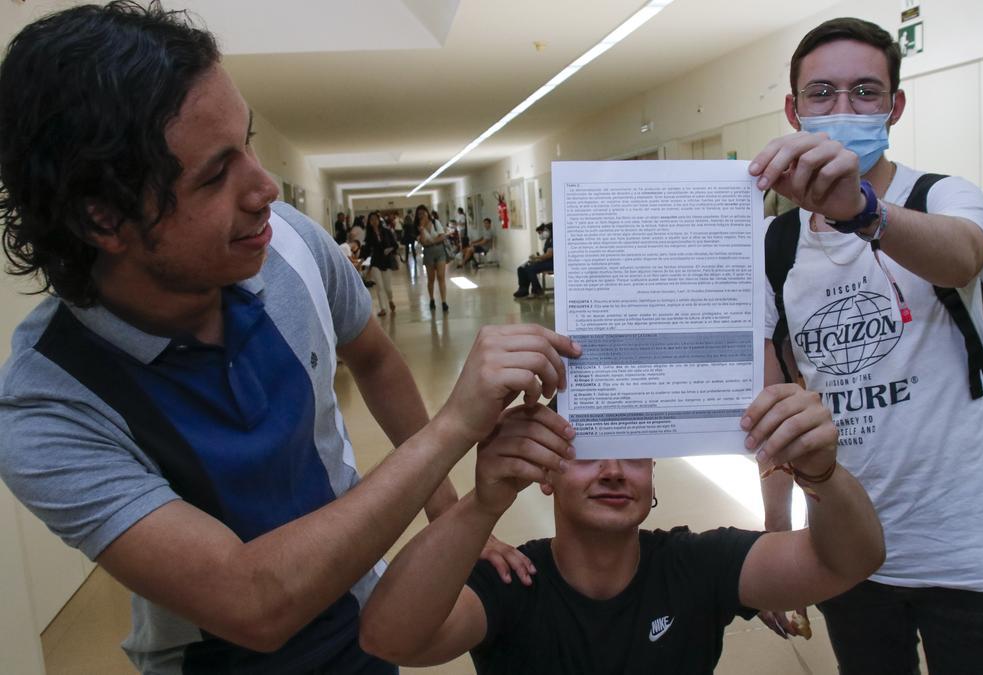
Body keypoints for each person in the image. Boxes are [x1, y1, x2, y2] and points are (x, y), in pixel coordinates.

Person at [0, 3, 570, 672]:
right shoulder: (49, 406)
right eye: (216, 174)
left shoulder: (290, 247)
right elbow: (254, 603)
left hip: (361, 607)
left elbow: (377, 360)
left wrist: (449, 519)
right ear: (104, 218)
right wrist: (451, 430)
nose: (265, 187)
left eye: (249, 143)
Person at [751, 17, 983, 673]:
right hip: (849, 544)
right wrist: (774, 532)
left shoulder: (942, 196)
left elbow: (963, 257)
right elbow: (773, 400)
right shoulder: (777, 245)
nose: (843, 109)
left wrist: (865, 212)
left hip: (971, 548)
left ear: (894, 105)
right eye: (821, 93)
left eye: (865, 91)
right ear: (794, 110)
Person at [359, 388, 884, 673]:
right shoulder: (512, 583)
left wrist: (821, 473)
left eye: (633, 452)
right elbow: (389, 639)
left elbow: (849, 561)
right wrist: (483, 505)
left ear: (653, 472)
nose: (612, 469)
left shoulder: (698, 566)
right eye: (586, 452)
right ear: (546, 473)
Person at [363, 211, 399, 316]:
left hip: (386, 261)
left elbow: (395, 245)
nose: (374, 221)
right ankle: (382, 308)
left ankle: (390, 300)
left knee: (388, 287)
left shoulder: (387, 231)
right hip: (375, 262)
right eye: (371, 220)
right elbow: (367, 249)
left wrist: (390, 249)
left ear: (379, 220)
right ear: (369, 222)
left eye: (375, 219)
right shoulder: (369, 234)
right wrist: (362, 260)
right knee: (379, 286)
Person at [416, 204, 450, 312]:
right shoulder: (417, 227)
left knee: (441, 276)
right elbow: (422, 242)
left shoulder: (435, 222)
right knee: (431, 279)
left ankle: (444, 301)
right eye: (419, 214)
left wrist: (432, 241)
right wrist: (421, 229)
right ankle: (431, 299)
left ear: (427, 213)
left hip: (440, 251)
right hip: (428, 253)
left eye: (423, 213)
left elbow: (442, 236)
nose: (422, 215)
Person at [514, 223, 553, 298]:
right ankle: (523, 289)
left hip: (552, 263)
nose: (540, 235)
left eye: (541, 232)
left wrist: (536, 258)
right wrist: (537, 259)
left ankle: (537, 291)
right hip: (547, 261)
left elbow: (549, 255)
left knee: (530, 269)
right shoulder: (548, 240)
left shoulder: (554, 239)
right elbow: (546, 255)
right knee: (521, 268)